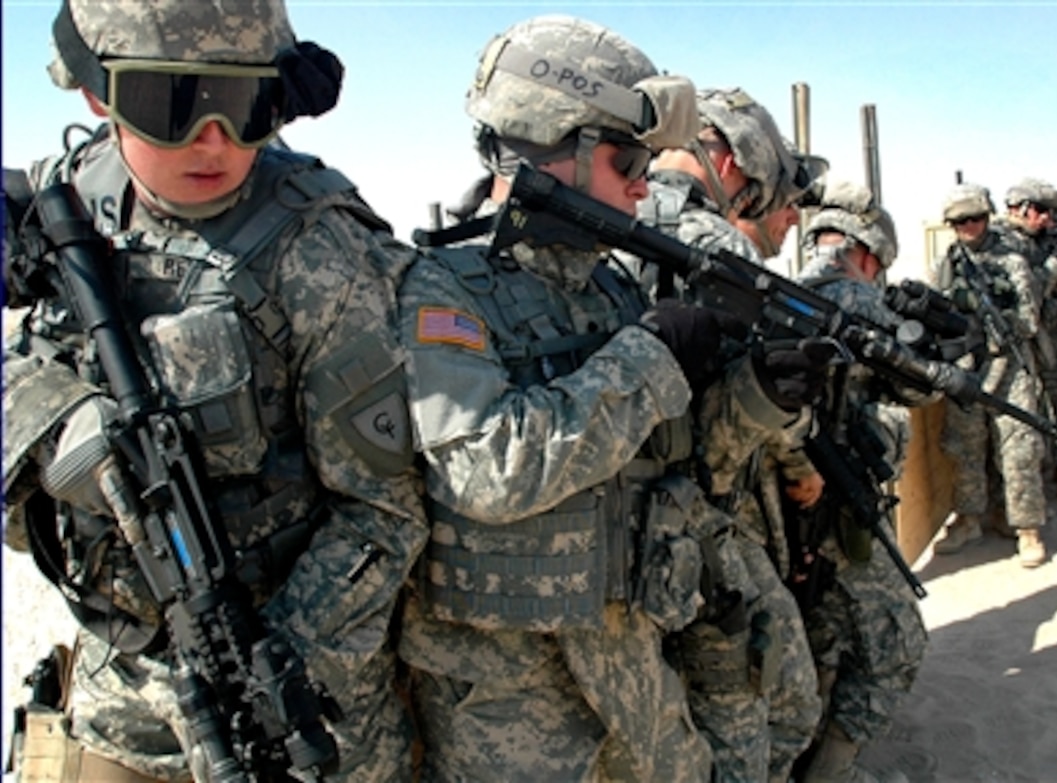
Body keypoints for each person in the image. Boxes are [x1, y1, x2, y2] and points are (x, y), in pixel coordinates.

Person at [2, 1, 427, 780]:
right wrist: (52, 419)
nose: (215, 142)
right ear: (99, 95)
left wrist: (267, 672)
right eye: (173, 105)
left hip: (300, 699)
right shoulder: (52, 206)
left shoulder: (320, 255)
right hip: (122, 692)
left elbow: (382, 514)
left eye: (246, 107)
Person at [395, 15, 828, 781]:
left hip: (632, 654)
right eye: (626, 155)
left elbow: (671, 451)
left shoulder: (607, 286)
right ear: (546, 142)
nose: (643, 180)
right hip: (512, 701)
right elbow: (485, 471)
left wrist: (757, 396)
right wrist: (649, 354)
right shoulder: (443, 286)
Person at [636, 92, 827, 782]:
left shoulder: (608, 219)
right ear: (726, 157)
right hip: (699, 524)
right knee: (761, 717)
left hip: (624, 530)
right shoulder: (713, 244)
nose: (752, 202)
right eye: (754, 186)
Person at [790, 181, 929, 783]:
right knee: (898, 644)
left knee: (821, 639)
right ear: (869, 254)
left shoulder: (789, 292)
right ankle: (832, 773)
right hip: (839, 510)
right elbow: (922, 384)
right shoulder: (860, 300)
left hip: (789, 514)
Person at [931, 182, 1048, 566]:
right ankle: (968, 519)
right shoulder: (947, 263)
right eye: (960, 221)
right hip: (967, 365)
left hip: (1008, 364)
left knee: (1018, 448)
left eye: (975, 219)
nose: (969, 227)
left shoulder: (1011, 261)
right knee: (964, 446)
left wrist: (996, 317)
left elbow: (1030, 321)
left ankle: (1027, 528)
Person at [996, 178, 1057, 506]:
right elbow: (1027, 293)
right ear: (1022, 208)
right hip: (1017, 344)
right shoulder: (1002, 242)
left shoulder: (1039, 239)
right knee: (1023, 423)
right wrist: (1054, 261)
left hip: (1054, 338)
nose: (1049, 219)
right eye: (1043, 211)